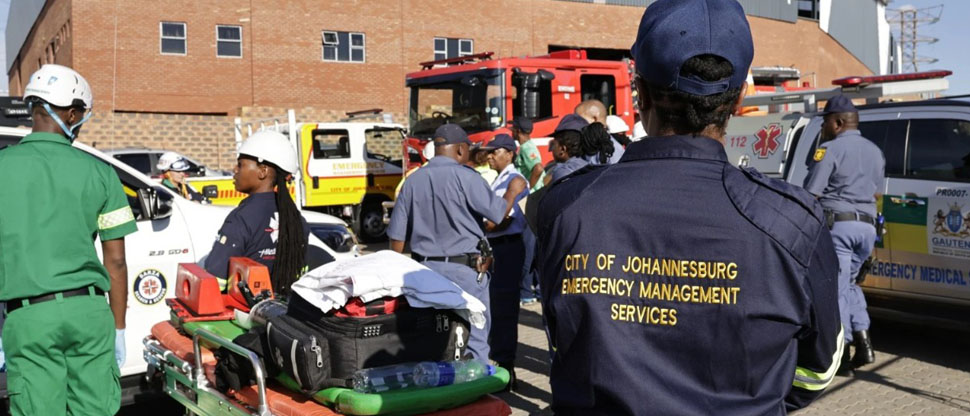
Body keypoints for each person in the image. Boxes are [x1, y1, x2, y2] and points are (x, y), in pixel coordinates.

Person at [533, 1, 843, 414]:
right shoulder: (791, 224)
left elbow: (561, 339)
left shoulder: (565, 207)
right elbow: (818, 369)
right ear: (738, 101)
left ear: (640, 93)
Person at [0, 64, 135, 415]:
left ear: (35, 108)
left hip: (28, 318)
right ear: (72, 113)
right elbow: (116, 261)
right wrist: (119, 326)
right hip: (88, 313)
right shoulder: (101, 173)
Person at [388, 124, 515, 365]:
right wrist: (512, 191)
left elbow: (397, 238)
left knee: (432, 337)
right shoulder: (466, 177)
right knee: (474, 338)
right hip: (465, 271)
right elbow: (497, 214)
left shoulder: (412, 182)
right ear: (459, 150)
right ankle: (475, 393)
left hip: (424, 272)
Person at [803, 95, 884, 376]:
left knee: (836, 289)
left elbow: (812, 192)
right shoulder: (875, 151)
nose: (823, 127)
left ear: (837, 122)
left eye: (825, 121)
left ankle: (843, 354)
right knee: (850, 285)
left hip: (840, 228)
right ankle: (864, 342)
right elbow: (877, 193)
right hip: (867, 229)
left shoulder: (829, 150)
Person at [203, 130, 310, 296]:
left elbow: (215, 280)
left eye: (241, 164)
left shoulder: (241, 218)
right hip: (285, 311)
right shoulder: (296, 218)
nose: (235, 169)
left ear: (263, 171)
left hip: (245, 313)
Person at [480, 133, 529, 385]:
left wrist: (488, 225)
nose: (489, 156)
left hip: (508, 248)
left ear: (509, 153)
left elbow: (496, 220)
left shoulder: (515, 180)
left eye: (494, 151)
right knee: (494, 309)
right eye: (488, 152)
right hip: (496, 247)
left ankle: (507, 369)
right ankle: (500, 363)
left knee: (505, 309)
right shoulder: (498, 180)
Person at [544, 114, 590, 185]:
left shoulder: (561, 173)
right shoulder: (592, 166)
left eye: (553, 144)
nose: (552, 149)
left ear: (562, 149)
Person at [575, 99, 624, 164]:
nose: (575, 123)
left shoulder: (611, 149)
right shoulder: (590, 144)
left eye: (580, 120)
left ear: (594, 119)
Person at [511, 117, 545, 190]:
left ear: (518, 131)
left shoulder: (526, 148)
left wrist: (527, 188)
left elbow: (538, 168)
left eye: (513, 129)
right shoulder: (526, 146)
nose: (511, 132)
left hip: (532, 195)